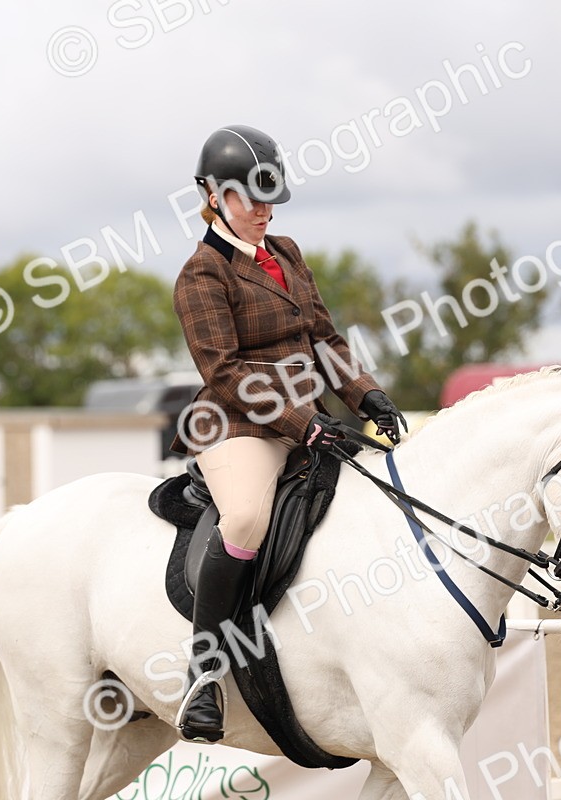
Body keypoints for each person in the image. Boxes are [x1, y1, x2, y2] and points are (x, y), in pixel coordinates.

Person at [170, 124, 407, 742]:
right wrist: (303, 423)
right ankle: (203, 675)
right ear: (214, 196)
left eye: (270, 199)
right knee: (247, 518)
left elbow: (324, 340)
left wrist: (367, 395)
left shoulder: (288, 254)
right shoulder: (201, 274)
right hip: (237, 425)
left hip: (311, 422)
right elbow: (224, 372)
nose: (264, 211)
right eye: (250, 199)